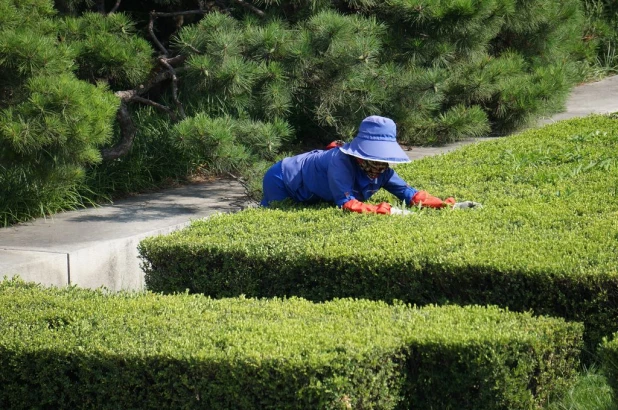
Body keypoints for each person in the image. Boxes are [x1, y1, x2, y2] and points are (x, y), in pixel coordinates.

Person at [261, 115, 480, 214]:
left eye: (383, 159)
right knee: (273, 213)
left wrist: (447, 205)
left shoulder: (383, 172)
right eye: (374, 157)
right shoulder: (340, 161)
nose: (379, 164)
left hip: (312, 190)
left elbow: (409, 193)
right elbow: (345, 202)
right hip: (282, 179)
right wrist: (388, 211)